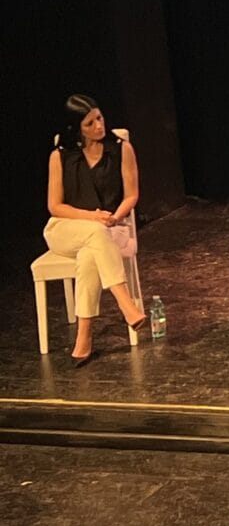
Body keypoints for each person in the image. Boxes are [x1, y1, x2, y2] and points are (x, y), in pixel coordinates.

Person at [43, 94, 146, 365]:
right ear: (76, 128)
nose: (99, 126)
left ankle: (84, 335)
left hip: (109, 228)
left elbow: (131, 195)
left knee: (91, 252)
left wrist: (114, 217)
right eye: (90, 123)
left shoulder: (121, 149)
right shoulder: (60, 156)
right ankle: (126, 304)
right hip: (65, 228)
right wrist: (91, 217)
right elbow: (55, 206)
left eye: (99, 118)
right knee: (94, 233)